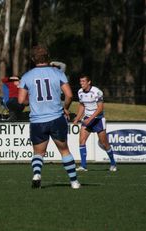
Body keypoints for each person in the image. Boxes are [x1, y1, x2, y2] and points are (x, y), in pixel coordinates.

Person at [18, 45, 81, 189]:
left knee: (38, 153)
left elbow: (21, 101)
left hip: (37, 121)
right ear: (48, 57)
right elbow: (70, 95)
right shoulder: (57, 73)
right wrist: (65, 108)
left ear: (33, 59)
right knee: (64, 150)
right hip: (56, 118)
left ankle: (37, 174)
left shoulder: (27, 76)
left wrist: (32, 99)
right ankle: (74, 182)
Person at [73, 75, 117, 172]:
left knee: (104, 143)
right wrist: (77, 118)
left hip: (98, 119)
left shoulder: (97, 92)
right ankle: (83, 166)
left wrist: (90, 119)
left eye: (83, 81)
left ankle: (113, 163)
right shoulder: (80, 92)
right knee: (82, 141)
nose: (81, 83)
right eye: (80, 81)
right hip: (87, 118)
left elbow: (100, 108)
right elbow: (82, 106)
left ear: (89, 82)